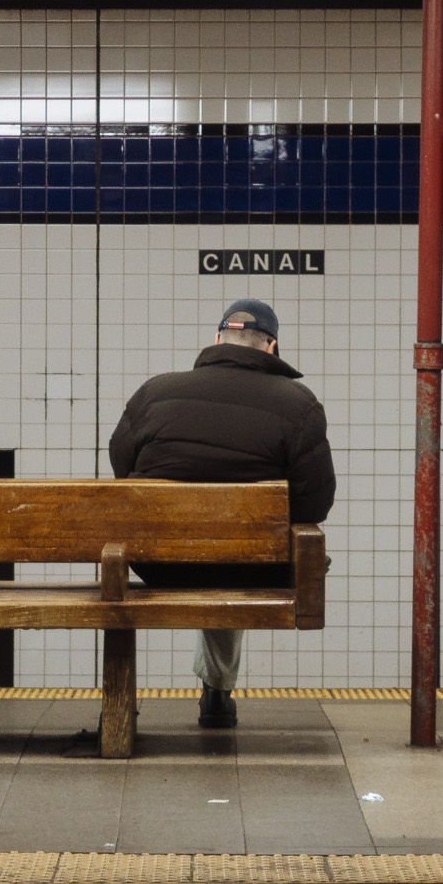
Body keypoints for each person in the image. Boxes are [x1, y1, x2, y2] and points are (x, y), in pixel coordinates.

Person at [107, 298, 334, 728]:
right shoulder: (298, 404)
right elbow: (314, 503)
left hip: (160, 564)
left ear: (216, 341)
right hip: (252, 566)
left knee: (216, 556)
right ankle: (216, 690)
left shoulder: (153, 392)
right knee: (236, 560)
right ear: (270, 348)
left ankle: (191, 693)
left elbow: (124, 473)